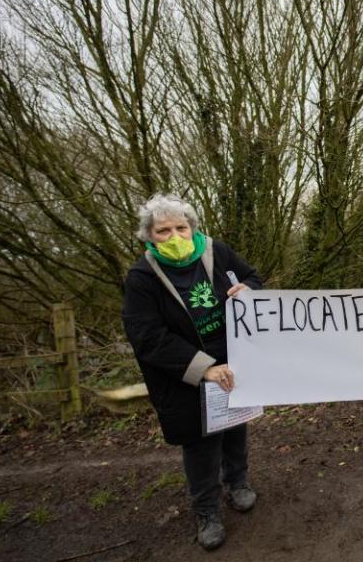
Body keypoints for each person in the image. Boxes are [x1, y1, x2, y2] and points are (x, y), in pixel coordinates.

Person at [121, 193, 263, 551]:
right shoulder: (141, 278)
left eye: (181, 227)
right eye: (164, 230)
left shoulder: (218, 252)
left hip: (233, 362)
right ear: (149, 236)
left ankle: (238, 483)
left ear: (193, 228)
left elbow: (253, 279)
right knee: (200, 443)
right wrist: (204, 369)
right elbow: (147, 336)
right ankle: (207, 511)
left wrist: (249, 289)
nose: (175, 236)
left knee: (235, 425)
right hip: (184, 374)